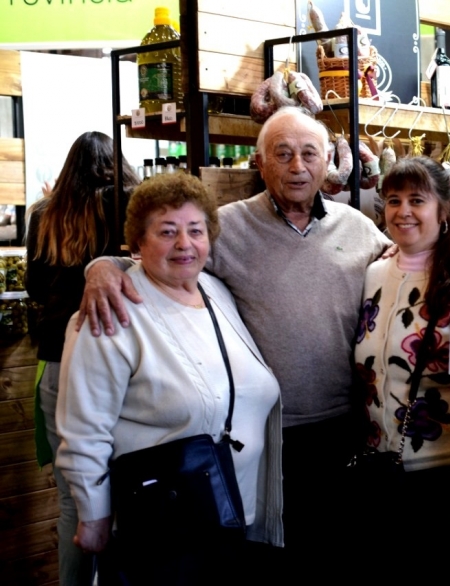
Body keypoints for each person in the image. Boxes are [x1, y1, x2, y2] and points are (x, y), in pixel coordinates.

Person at [78, 106, 390, 577]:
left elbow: (401, 264)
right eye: (282, 154)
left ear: (329, 161)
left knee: (340, 557)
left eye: (309, 153)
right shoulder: (227, 226)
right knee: (275, 562)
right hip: (269, 433)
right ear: (259, 163)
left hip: (345, 428)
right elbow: (167, 257)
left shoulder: (359, 227)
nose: (297, 166)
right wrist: (101, 267)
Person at [54, 173, 283, 584]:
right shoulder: (111, 312)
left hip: (235, 514)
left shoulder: (216, 292)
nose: (184, 244)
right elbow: (85, 430)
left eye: (195, 231)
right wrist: (94, 515)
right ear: (137, 242)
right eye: (167, 231)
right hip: (163, 524)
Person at [25, 131, 139, 586]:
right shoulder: (127, 202)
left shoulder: (44, 214)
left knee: (76, 500)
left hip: (56, 356)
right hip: (114, 354)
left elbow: (35, 287)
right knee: (127, 491)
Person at [353, 157, 450, 585]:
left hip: (445, 475)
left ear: (443, 210)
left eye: (417, 200)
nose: (403, 211)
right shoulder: (372, 274)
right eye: (393, 200)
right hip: (382, 470)